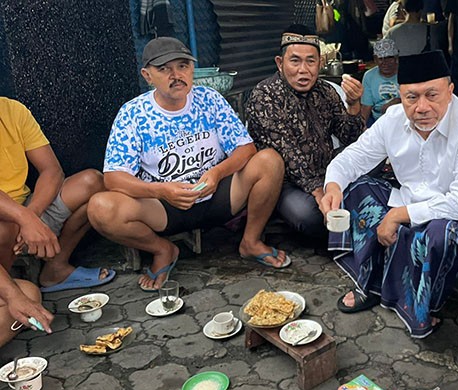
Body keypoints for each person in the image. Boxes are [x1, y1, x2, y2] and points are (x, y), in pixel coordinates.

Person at [319, 51, 458, 338]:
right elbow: (353, 158)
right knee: (355, 190)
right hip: (409, 207)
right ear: (400, 96)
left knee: (438, 235)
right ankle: (373, 281)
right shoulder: (392, 119)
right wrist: (333, 187)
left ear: (450, 92)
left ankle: (420, 305)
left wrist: (399, 215)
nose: (422, 107)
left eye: (432, 95)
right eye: (411, 98)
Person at [88, 37, 286, 291]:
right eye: (164, 69)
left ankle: (251, 241)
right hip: (164, 207)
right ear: (147, 76)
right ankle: (163, 250)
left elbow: (245, 148)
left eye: (182, 66)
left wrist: (217, 172)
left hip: (216, 196)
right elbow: (113, 178)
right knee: (100, 207)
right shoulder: (132, 114)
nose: (176, 75)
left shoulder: (209, 99)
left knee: (269, 160)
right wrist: (161, 191)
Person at [245, 25, 364, 241]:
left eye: (310, 61)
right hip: (287, 182)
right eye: (295, 61)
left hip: (327, 170)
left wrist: (354, 105)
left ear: (320, 63)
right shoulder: (265, 96)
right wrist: (320, 193)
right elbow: (289, 155)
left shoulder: (325, 91)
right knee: (310, 216)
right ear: (280, 64)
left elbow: (350, 138)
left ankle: (349, 205)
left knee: (368, 159)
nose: (303, 69)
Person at [0, 97, 114, 293]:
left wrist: (32, 215)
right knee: (5, 230)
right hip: (6, 221)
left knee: (92, 182)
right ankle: (9, 291)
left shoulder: (12, 109)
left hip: (28, 208)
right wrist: (23, 219)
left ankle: (56, 269)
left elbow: (51, 170)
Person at [361, 39, 401, 124]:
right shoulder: (369, 76)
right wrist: (361, 129)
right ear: (375, 60)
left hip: (402, 119)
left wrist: (398, 101)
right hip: (377, 121)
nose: (385, 62)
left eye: (389, 58)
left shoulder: (406, 73)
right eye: (380, 59)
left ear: (396, 58)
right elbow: (366, 107)